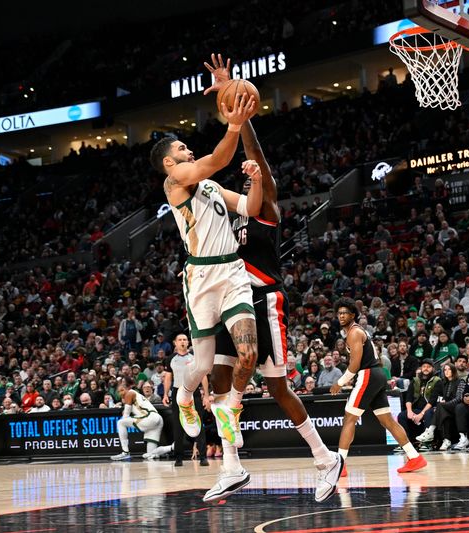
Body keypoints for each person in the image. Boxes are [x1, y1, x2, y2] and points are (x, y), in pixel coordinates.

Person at [204, 55, 342, 503]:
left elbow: (254, 156)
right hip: (233, 305)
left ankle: (325, 459)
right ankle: (231, 466)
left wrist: (240, 117)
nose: (247, 182)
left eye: (254, 179)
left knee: (278, 387)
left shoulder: (268, 210)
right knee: (220, 382)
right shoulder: (233, 213)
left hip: (264, 301)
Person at [150, 83, 260, 450]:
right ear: (169, 161)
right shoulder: (174, 182)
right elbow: (216, 159)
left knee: (249, 354)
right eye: (181, 148)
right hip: (201, 277)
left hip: (232, 272)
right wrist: (233, 124)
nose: (188, 149)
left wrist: (257, 180)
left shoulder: (211, 187)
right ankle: (185, 398)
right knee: (204, 363)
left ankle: (231, 408)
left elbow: (251, 208)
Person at [330, 298, 426, 475]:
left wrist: (340, 382)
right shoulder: (356, 332)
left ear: (353, 315)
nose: (342, 315)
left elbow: (355, 364)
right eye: (339, 313)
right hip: (376, 374)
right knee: (387, 420)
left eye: (345, 313)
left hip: (368, 374)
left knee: (349, 419)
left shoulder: (354, 333)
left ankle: (340, 464)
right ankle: (415, 457)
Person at [147, 333, 209, 467]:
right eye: (180, 339)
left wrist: (206, 395)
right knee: (178, 425)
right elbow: (168, 378)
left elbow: (203, 376)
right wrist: (165, 395)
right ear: (175, 343)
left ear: (188, 342)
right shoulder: (170, 359)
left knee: (199, 423)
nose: (182, 342)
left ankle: (203, 456)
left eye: (185, 339)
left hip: (194, 392)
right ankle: (179, 457)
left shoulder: (195, 357)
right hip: (177, 392)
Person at [111, 377, 164, 461]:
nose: (120, 393)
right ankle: (170, 448)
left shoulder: (130, 393)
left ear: (127, 389)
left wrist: (124, 412)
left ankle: (125, 452)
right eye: (118, 391)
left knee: (120, 423)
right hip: (158, 420)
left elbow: (125, 415)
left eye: (122, 390)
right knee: (150, 454)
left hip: (150, 418)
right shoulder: (136, 396)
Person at [398, 359, 440, 443]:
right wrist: (409, 411)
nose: (426, 368)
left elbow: (432, 401)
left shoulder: (437, 381)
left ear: (433, 369)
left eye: (428, 367)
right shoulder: (415, 380)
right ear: (421, 368)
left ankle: (426, 443)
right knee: (401, 415)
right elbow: (408, 398)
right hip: (416, 409)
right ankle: (407, 442)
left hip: (429, 409)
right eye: (424, 366)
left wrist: (421, 414)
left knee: (428, 414)